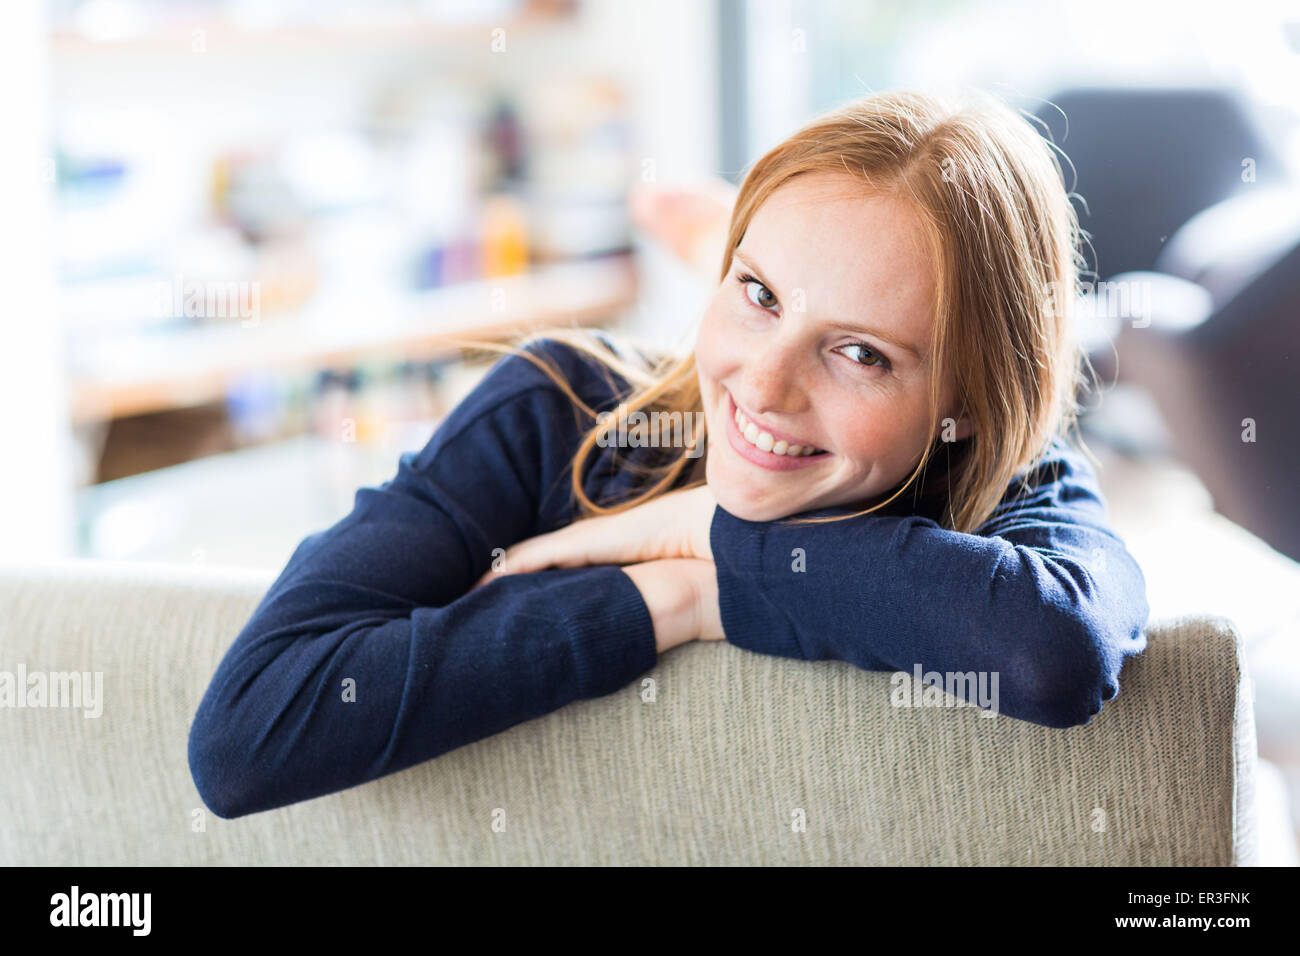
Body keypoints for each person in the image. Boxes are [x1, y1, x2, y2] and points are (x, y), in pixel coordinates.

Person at [189, 89, 1149, 820]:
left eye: (862, 353)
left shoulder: (1016, 479)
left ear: (968, 409)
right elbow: (249, 735)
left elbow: (1048, 656)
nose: (765, 388)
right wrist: (649, 598)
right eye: (758, 291)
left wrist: (710, 560)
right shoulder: (555, 409)